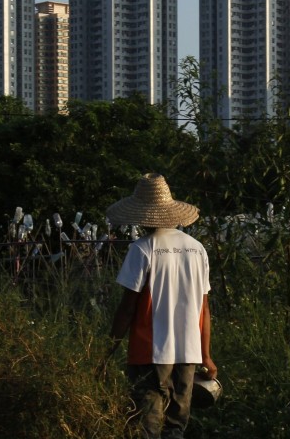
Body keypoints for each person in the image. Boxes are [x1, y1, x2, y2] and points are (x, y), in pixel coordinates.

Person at [108, 173, 217, 438]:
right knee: (175, 427)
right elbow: (204, 309)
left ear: (141, 214)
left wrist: (108, 347)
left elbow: (128, 307)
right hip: (188, 354)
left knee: (147, 427)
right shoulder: (196, 249)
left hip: (151, 352)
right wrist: (206, 354)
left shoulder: (142, 249)